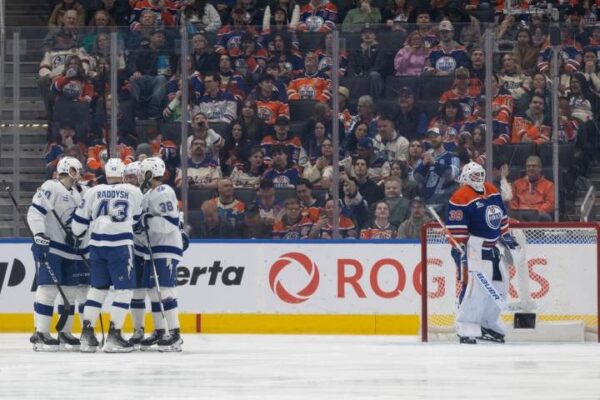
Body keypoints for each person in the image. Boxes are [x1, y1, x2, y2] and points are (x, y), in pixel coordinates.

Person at [72, 158, 144, 353]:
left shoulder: (92, 191)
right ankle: (114, 335)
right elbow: (137, 223)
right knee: (124, 290)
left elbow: (77, 227)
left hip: (97, 245)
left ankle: (87, 335)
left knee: (97, 289)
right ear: (123, 174)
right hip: (121, 246)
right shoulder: (134, 191)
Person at [445, 162, 514, 344]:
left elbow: (502, 217)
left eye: (480, 174)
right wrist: (461, 250)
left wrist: (505, 236)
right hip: (472, 249)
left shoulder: (491, 190)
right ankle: (466, 325)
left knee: (499, 287)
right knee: (473, 288)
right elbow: (456, 229)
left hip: (493, 249)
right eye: (474, 175)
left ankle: (487, 322)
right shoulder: (459, 197)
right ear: (465, 177)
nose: (478, 178)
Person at [27, 157, 84, 351]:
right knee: (48, 289)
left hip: (70, 251)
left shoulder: (77, 194)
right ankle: (41, 332)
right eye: (76, 170)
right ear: (68, 170)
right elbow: (35, 212)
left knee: (70, 291)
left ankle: (65, 332)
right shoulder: (51, 186)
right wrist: (39, 235)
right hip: (52, 247)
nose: (79, 173)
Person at [135, 157, 187, 351]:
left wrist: (146, 221)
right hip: (153, 249)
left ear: (149, 173)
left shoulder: (163, 192)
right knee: (153, 291)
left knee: (165, 290)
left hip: (166, 247)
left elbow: (169, 223)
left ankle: (174, 333)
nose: (140, 176)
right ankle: (160, 331)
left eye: (143, 172)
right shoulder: (149, 193)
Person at [509, 155, 555, 222]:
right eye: (528, 166)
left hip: (539, 216)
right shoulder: (516, 184)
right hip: (520, 216)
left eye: (534, 166)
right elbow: (513, 202)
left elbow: (550, 204)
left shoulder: (549, 185)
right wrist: (520, 213)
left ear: (540, 168)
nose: (531, 168)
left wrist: (533, 213)